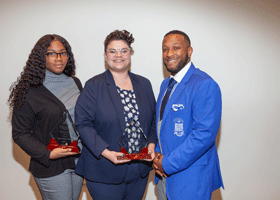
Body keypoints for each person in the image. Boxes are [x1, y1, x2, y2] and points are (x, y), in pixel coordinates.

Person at [74, 30, 157, 200]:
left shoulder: (144, 84)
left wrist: (151, 144)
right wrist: (106, 152)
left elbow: (154, 121)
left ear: (130, 54)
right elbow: (83, 124)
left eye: (124, 50)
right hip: (104, 170)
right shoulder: (93, 86)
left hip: (139, 171)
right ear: (105, 56)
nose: (118, 55)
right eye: (113, 51)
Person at [9, 34, 84, 200]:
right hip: (51, 165)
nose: (58, 59)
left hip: (78, 161)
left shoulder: (76, 83)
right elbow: (20, 134)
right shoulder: (30, 90)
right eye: (51, 53)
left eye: (63, 53)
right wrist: (48, 154)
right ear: (40, 58)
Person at [153, 30, 224, 200]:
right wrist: (156, 156)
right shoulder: (165, 85)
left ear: (189, 51)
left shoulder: (204, 84)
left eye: (176, 48)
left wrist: (167, 163)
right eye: (165, 49)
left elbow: (203, 135)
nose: (169, 54)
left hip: (190, 180)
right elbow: (162, 126)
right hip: (163, 178)